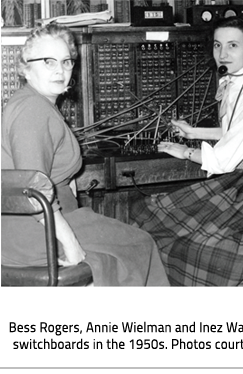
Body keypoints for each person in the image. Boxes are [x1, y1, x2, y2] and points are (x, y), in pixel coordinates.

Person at [1, 24, 169, 286]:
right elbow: (31, 188)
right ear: (25, 68)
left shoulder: (30, 101)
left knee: (129, 241)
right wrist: (70, 243)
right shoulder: (33, 109)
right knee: (141, 244)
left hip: (35, 226)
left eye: (66, 62)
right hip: (34, 233)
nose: (60, 70)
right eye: (48, 61)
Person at [129, 16, 243, 286]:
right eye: (217, 45)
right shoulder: (233, 83)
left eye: (232, 46)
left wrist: (185, 152)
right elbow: (234, 133)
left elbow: (225, 157)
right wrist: (193, 133)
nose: (223, 54)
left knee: (196, 244)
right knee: (150, 215)